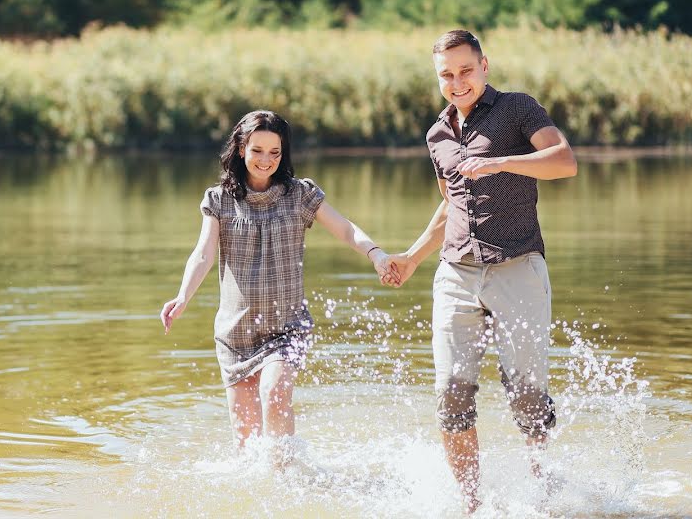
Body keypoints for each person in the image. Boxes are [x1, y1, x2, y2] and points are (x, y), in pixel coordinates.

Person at [387, 30, 577, 512]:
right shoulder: (438, 134)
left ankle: (542, 487)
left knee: (526, 393)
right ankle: (471, 506)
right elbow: (451, 205)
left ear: (484, 65)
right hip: (455, 274)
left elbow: (564, 161)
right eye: (446, 75)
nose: (457, 82)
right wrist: (411, 256)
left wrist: (501, 163)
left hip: (518, 265)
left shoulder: (518, 108)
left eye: (465, 70)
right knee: (451, 393)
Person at [160, 110, 398, 457]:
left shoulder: (299, 195)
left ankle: (288, 478)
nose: (266, 160)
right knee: (246, 446)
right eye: (257, 150)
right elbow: (203, 255)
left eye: (275, 152)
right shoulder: (219, 199)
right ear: (241, 149)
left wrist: (376, 254)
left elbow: (345, 228)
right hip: (236, 334)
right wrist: (182, 297)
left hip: (287, 327)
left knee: (274, 393)